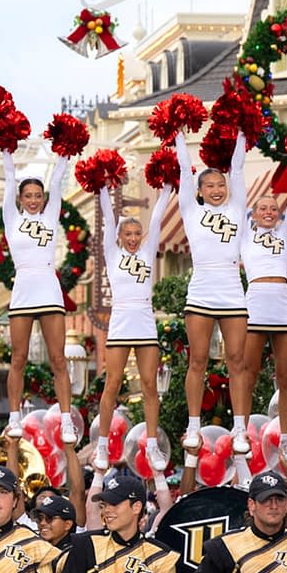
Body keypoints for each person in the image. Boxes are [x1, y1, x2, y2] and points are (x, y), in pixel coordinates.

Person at [172, 128, 250, 459]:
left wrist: (243, 131)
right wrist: (177, 133)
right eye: (210, 186)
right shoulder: (191, 210)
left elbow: (239, 166)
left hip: (232, 291)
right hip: (201, 291)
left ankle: (240, 427)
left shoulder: (237, 208)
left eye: (221, 185)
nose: (217, 190)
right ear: (200, 191)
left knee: (237, 361)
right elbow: (183, 168)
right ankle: (193, 425)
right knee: (198, 360)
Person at [93, 184, 170, 472]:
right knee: (112, 385)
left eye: (137, 233)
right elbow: (107, 218)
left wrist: (167, 188)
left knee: (150, 386)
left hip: (146, 323)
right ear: (120, 237)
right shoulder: (112, 254)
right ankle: (102, 445)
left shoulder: (148, 251)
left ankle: (152, 444)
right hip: (121, 323)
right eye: (128, 234)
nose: (134, 238)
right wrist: (102, 188)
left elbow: (157, 218)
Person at [0, 153, 75, 443]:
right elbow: (9, 179)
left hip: (49, 290)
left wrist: (64, 152)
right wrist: (6, 149)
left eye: (38, 196)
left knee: (58, 358)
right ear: (20, 199)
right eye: (28, 196)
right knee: (18, 358)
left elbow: (56, 181)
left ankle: (66, 420)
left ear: (44, 199)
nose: (33, 200)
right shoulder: (12, 218)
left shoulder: (50, 216)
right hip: (22, 291)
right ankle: (14, 418)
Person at [240, 165, 287, 465]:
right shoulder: (244, 235)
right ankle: (241, 432)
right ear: (253, 214)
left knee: (285, 376)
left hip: (282, 304)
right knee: (248, 373)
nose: (268, 212)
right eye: (263, 208)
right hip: (255, 303)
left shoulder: (285, 233)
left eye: (273, 209)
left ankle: (285, 438)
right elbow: (236, 192)